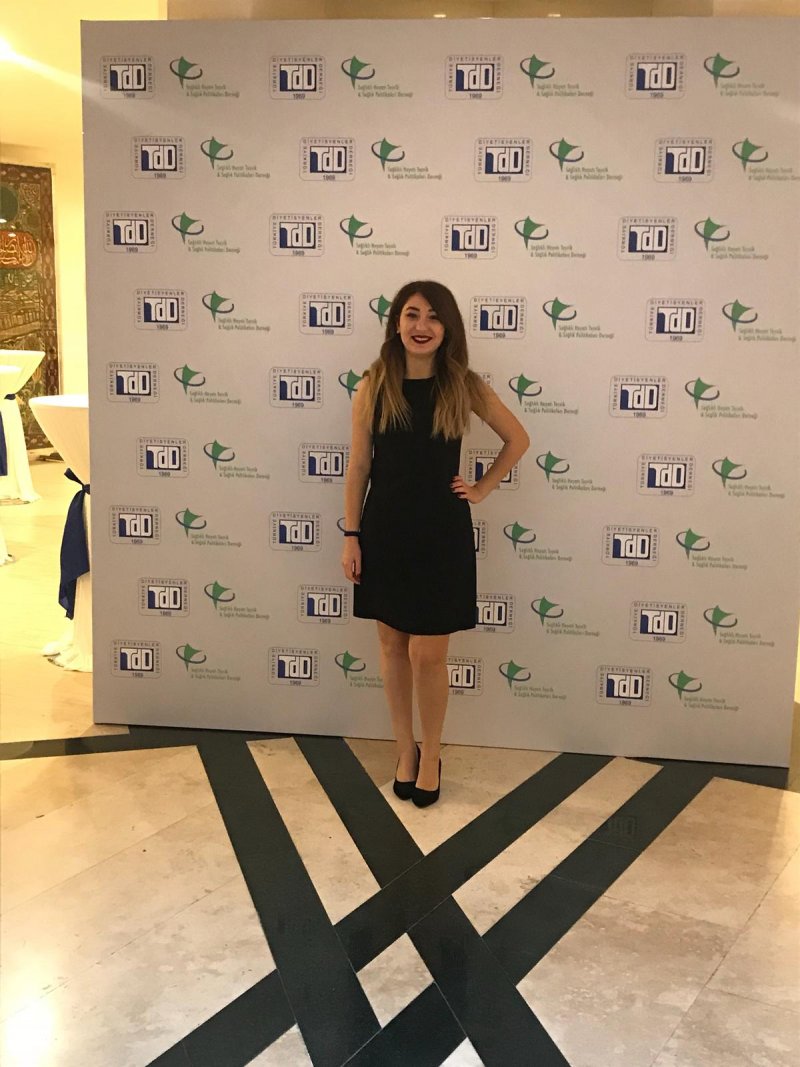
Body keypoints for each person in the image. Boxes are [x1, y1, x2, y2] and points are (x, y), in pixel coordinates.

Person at [341, 281, 530, 806]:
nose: (421, 326)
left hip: (441, 534)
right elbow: (359, 467)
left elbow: (518, 439)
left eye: (433, 316)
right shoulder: (374, 384)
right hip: (385, 530)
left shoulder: (462, 385)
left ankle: (431, 753)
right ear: (397, 323)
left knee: (428, 654)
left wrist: (482, 488)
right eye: (411, 314)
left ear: (448, 328)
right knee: (391, 647)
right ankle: (405, 751)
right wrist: (352, 536)